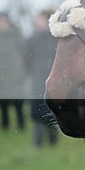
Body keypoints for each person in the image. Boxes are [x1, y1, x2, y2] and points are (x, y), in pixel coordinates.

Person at [0, 11, 27, 131]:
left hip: (15, 73)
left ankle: (21, 125)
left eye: (3, 21)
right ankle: (5, 127)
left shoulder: (16, 35)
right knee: (3, 103)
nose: (1, 24)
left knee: (18, 101)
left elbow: (24, 51)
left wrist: (21, 69)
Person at [24, 10, 60, 147]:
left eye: (41, 20)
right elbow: (26, 59)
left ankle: (53, 143)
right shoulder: (32, 40)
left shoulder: (56, 39)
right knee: (37, 113)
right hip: (37, 80)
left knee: (53, 111)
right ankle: (37, 143)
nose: (38, 22)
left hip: (53, 79)